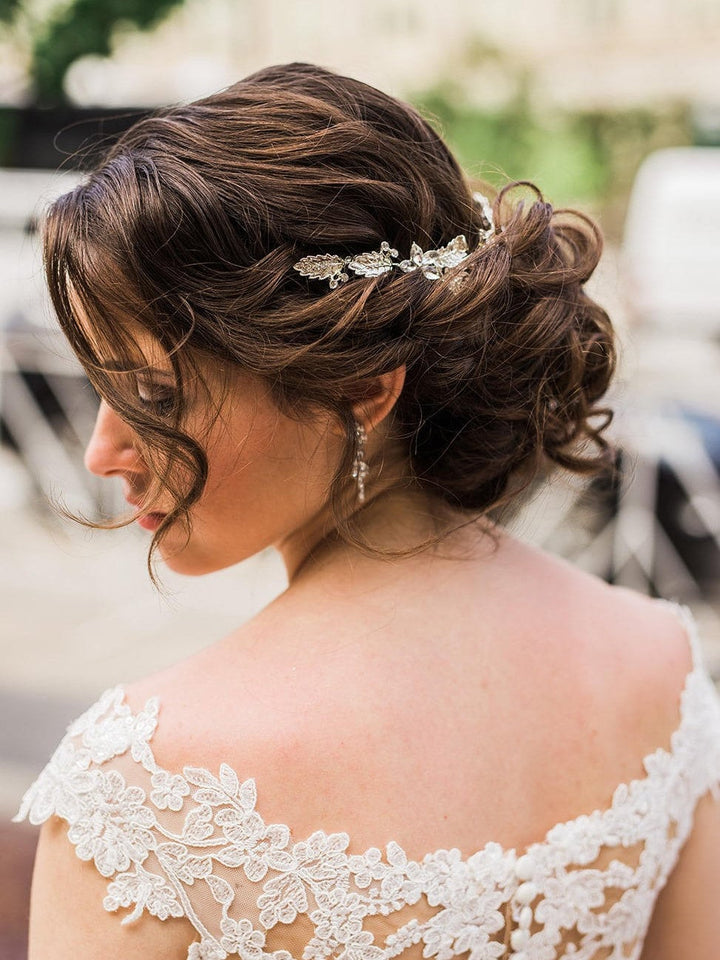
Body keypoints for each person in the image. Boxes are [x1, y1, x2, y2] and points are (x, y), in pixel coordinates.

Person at [14, 62, 720, 960]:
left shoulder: (151, 785)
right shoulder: (657, 661)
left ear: (360, 388)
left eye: (154, 394)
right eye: (98, 391)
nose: (100, 451)